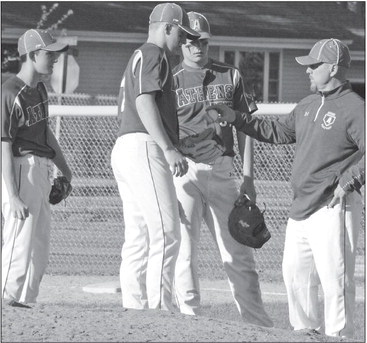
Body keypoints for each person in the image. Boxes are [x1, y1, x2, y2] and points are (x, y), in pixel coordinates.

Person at [208, 38, 365, 338]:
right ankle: (305, 334)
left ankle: (340, 337)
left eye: (313, 65)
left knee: (336, 282)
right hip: (300, 207)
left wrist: (350, 181)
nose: (307, 70)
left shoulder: (354, 108)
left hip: (333, 205)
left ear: (333, 68)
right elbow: (279, 132)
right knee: (295, 277)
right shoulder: (306, 105)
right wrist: (236, 118)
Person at [172, 11, 273, 327]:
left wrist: (248, 177)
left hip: (223, 170)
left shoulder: (231, 75)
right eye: (190, 40)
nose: (196, 47)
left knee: (239, 251)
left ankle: (257, 325)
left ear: (208, 41)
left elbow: (246, 128)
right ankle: (190, 319)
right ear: (181, 44)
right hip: (185, 171)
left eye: (202, 41)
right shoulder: (170, 81)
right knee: (185, 251)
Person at [110, 3, 200, 312]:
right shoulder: (154, 55)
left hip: (127, 145)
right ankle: (161, 310)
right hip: (144, 145)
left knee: (140, 235)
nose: (182, 41)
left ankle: (135, 309)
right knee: (166, 233)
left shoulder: (138, 55)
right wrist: (168, 147)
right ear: (168, 28)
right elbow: (145, 101)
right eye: (181, 33)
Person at [2, 29, 72, 308]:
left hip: (41, 168)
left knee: (39, 247)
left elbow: (46, 135)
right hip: (20, 168)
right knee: (19, 240)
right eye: (48, 53)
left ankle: (26, 302)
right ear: (31, 55)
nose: (54, 58)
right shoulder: (9, 92)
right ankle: (7, 299)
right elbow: (3, 145)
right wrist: (13, 194)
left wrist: (66, 171)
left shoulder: (40, 90)